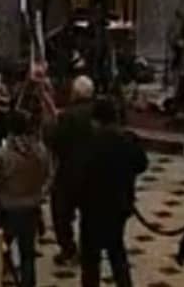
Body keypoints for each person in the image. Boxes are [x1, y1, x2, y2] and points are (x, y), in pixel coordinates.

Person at [0, 110, 52, 287]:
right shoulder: (40, 150)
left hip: (8, 208)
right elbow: (48, 175)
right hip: (31, 207)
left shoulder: (2, 154)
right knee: (28, 254)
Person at [78, 98, 148, 287]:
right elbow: (142, 165)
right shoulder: (128, 139)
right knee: (117, 255)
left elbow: (80, 176)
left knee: (91, 261)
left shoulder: (90, 142)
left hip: (92, 209)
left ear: (97, 120)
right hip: (119, 206)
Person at [47, 75, 95, 266]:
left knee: (61, 213)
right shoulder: (98, 112)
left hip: (69, 173)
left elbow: (57, 142)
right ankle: (88, 249)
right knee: (89, 215)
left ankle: (68, 248)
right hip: (93, 173)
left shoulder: (68, 115)